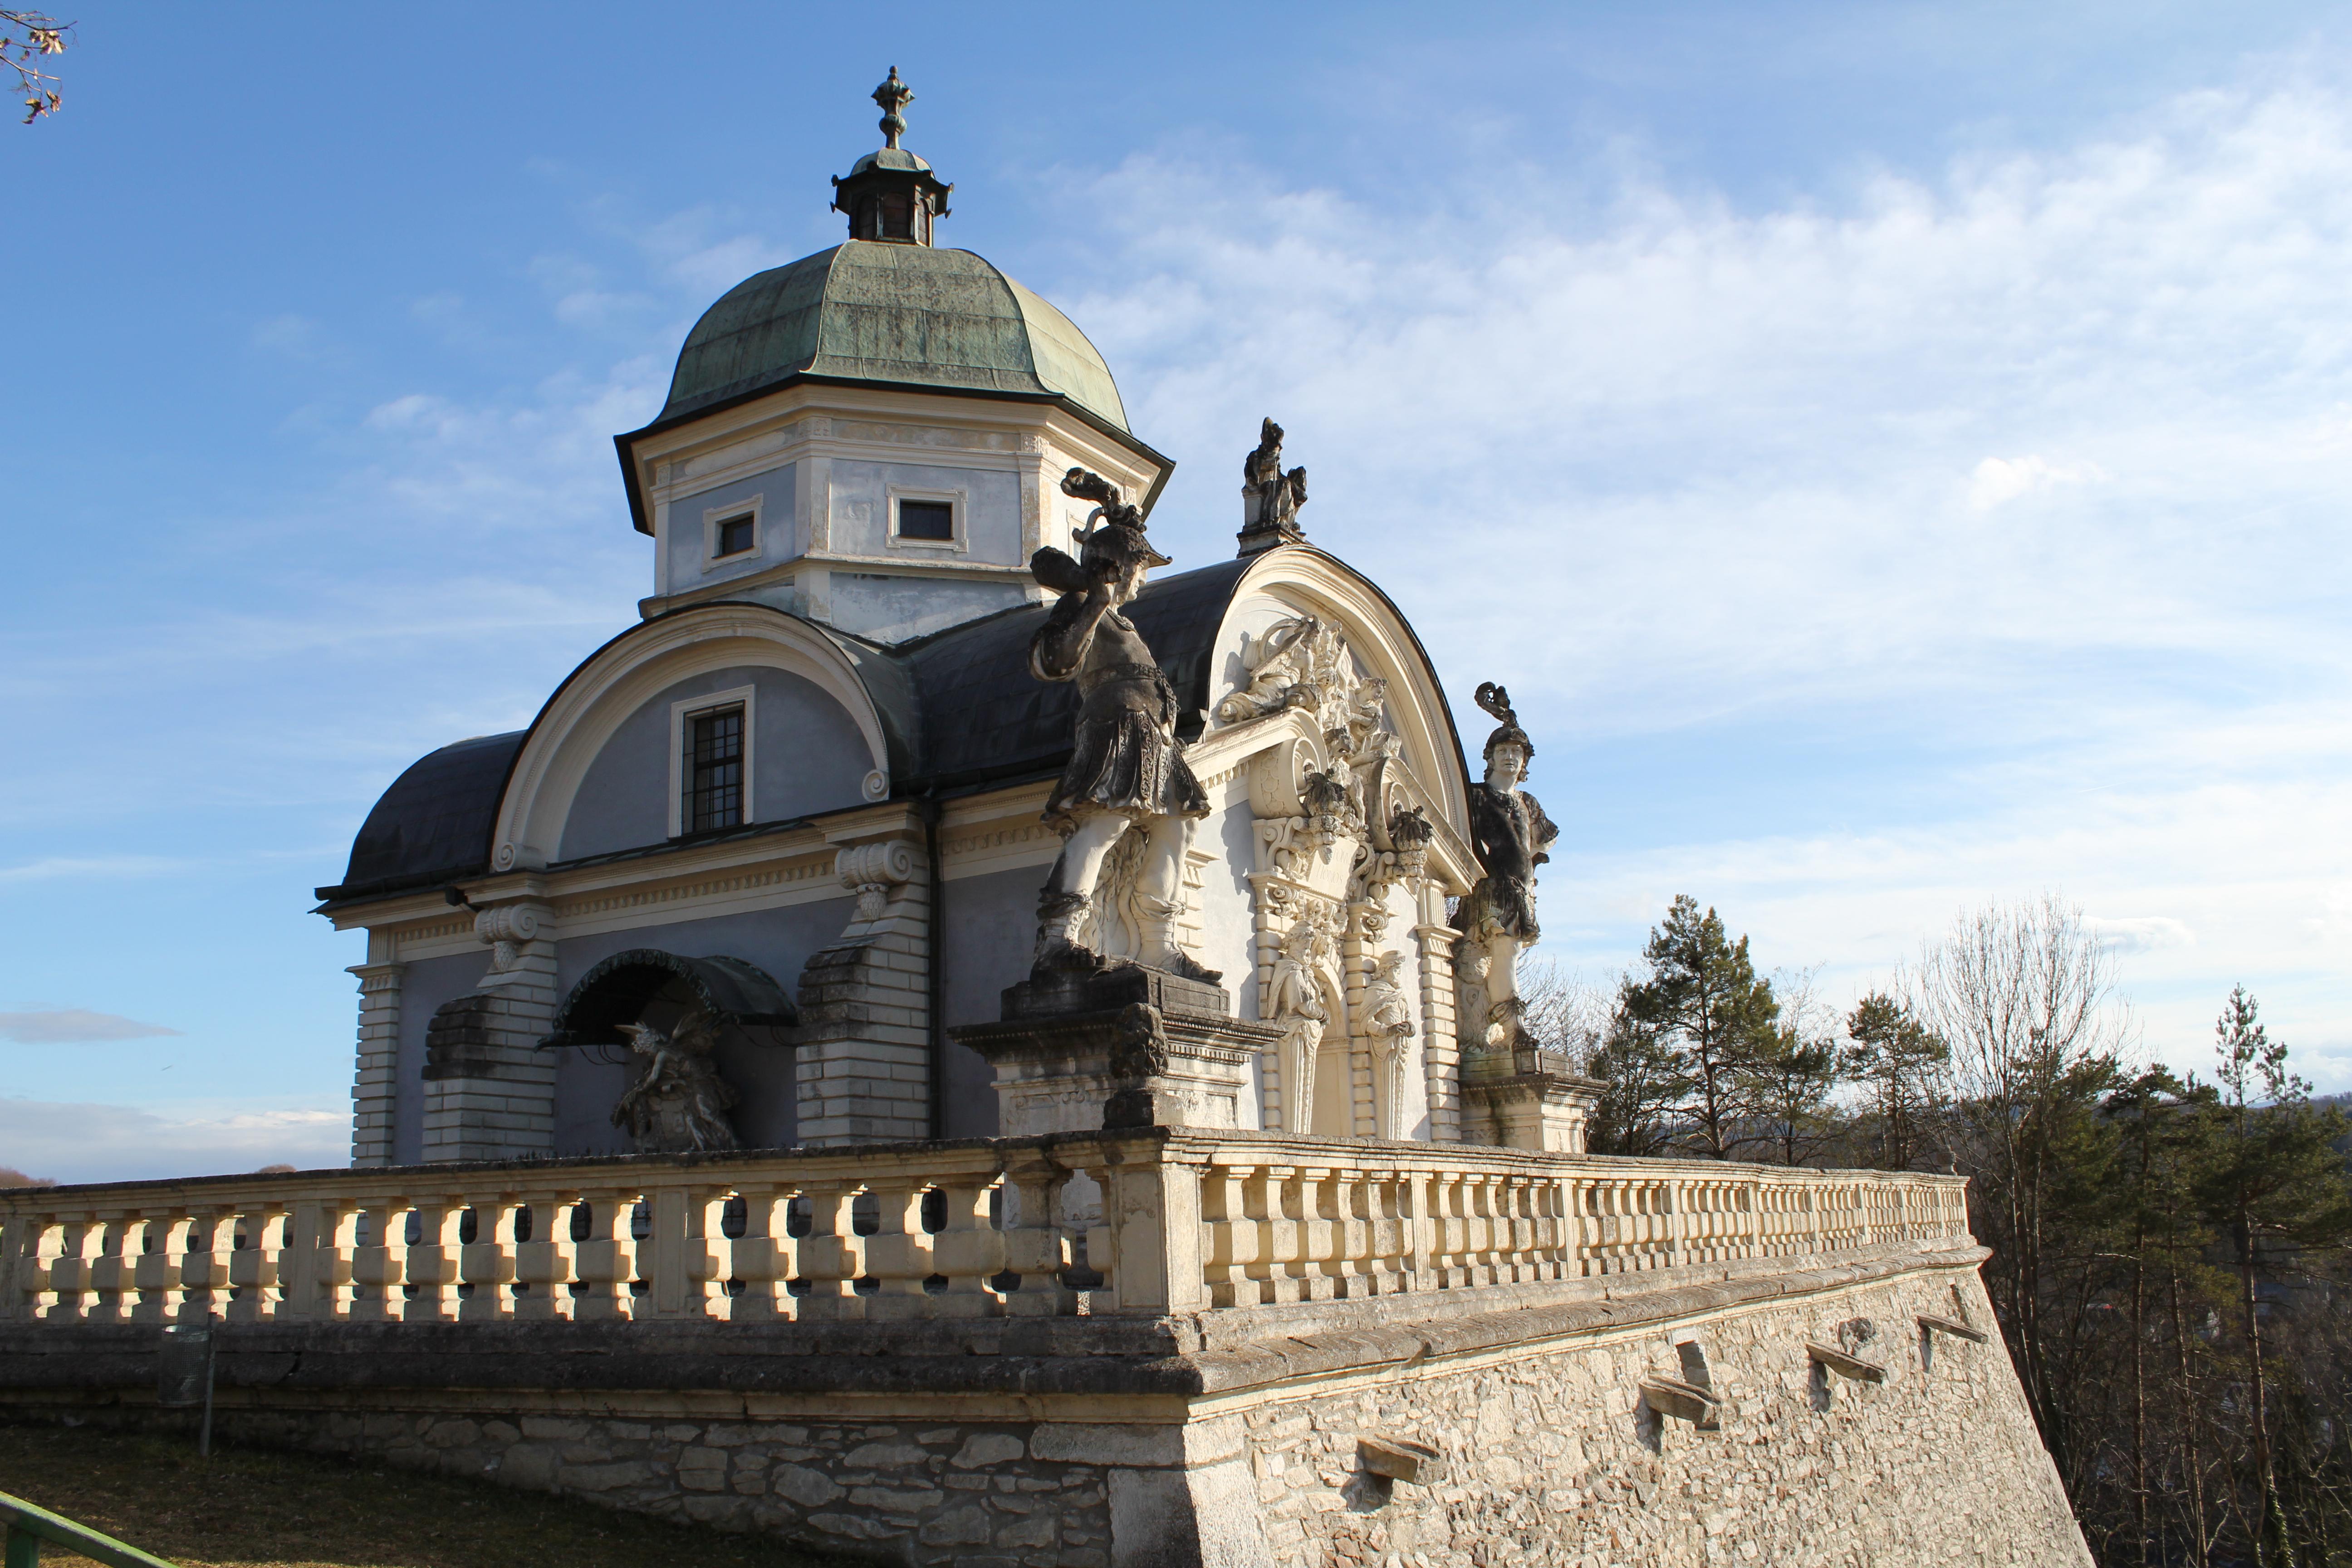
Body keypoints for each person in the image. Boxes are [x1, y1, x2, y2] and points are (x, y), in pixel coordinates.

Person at [1028, 469, 1218, 982]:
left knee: (1179, 823)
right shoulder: (1086, 605)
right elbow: (1054, 661)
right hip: (1117, 727)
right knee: (1104, 821)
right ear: (1121, 568)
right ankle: (1058, 938)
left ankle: (1158, 943)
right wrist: (1094, 601)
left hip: (1154, 737)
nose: (1144, 579)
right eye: (1141, 567)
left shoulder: (1124, 621)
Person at [1453, 682, 1558, 1037]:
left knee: (1505, 955)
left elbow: (1547, 840)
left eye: (1517, 751)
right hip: (1491, 888)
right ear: (1491, 757)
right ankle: (1513, 1027)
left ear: (1525, 760)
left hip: (1520, 891)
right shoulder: (1477, 796)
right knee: (1503, 954)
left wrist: (1531, 871)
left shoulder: (1528, 804)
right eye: (1503, 750)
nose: (1510, 757)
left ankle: (1503, 1025)